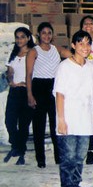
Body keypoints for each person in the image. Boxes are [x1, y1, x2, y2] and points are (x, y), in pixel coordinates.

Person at [53, 30, 93, 187]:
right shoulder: (65, 66)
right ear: (73, 45)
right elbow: (59, 94)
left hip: (85, 119)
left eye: (88, 43)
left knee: (79, 156)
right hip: (69, 118)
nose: (85, 47)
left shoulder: (90, 67)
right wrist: (61, 120)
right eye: (81, 43)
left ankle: (76, 185)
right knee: (68, 157)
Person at [26, 22, 71, 168]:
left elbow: (73, 56)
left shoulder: (56, 49)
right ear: (38, 34)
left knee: (55, 124)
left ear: (53, 35)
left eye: (49, 33)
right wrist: (30, 95)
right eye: (43, 33)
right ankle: (41, 159)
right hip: (39, 88)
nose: (47, 35)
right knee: (38, 126)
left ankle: (59, 157)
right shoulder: (34, 51)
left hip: (54, 87)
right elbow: (29, 74)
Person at [3, 27, 35, 165]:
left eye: (22, 37)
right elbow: (9, 71)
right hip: (15, 92)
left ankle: (20, 151)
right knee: (9, 121)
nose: (19, 40)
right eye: (17, 37)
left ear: (28, 38)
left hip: (27, 91)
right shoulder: (14, 54)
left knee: (23, 124)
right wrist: (11, 81)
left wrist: (28, 86)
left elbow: (35, 73)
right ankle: (16, 145)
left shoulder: (33, 53)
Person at [80, 15, 93, 165]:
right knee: (87, 118)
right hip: (85, 87)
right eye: (85, 24)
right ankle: (90, 149)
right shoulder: (80, 45)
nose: (88, 26)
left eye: (91, 23)